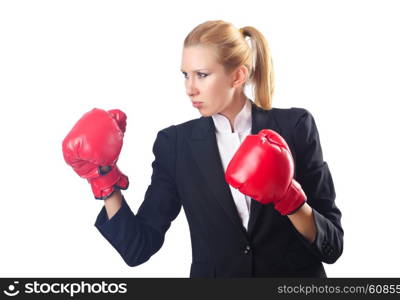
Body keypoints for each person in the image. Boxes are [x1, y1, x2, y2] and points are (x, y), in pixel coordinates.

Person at [62, 20, 343, 277]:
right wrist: (104, 179)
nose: (190, 88)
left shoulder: (295, 126)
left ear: (237, 76)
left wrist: (290, 199)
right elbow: (138, 248)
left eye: (202, 75)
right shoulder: (175, 145)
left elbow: (333, 246)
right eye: (185, 75)